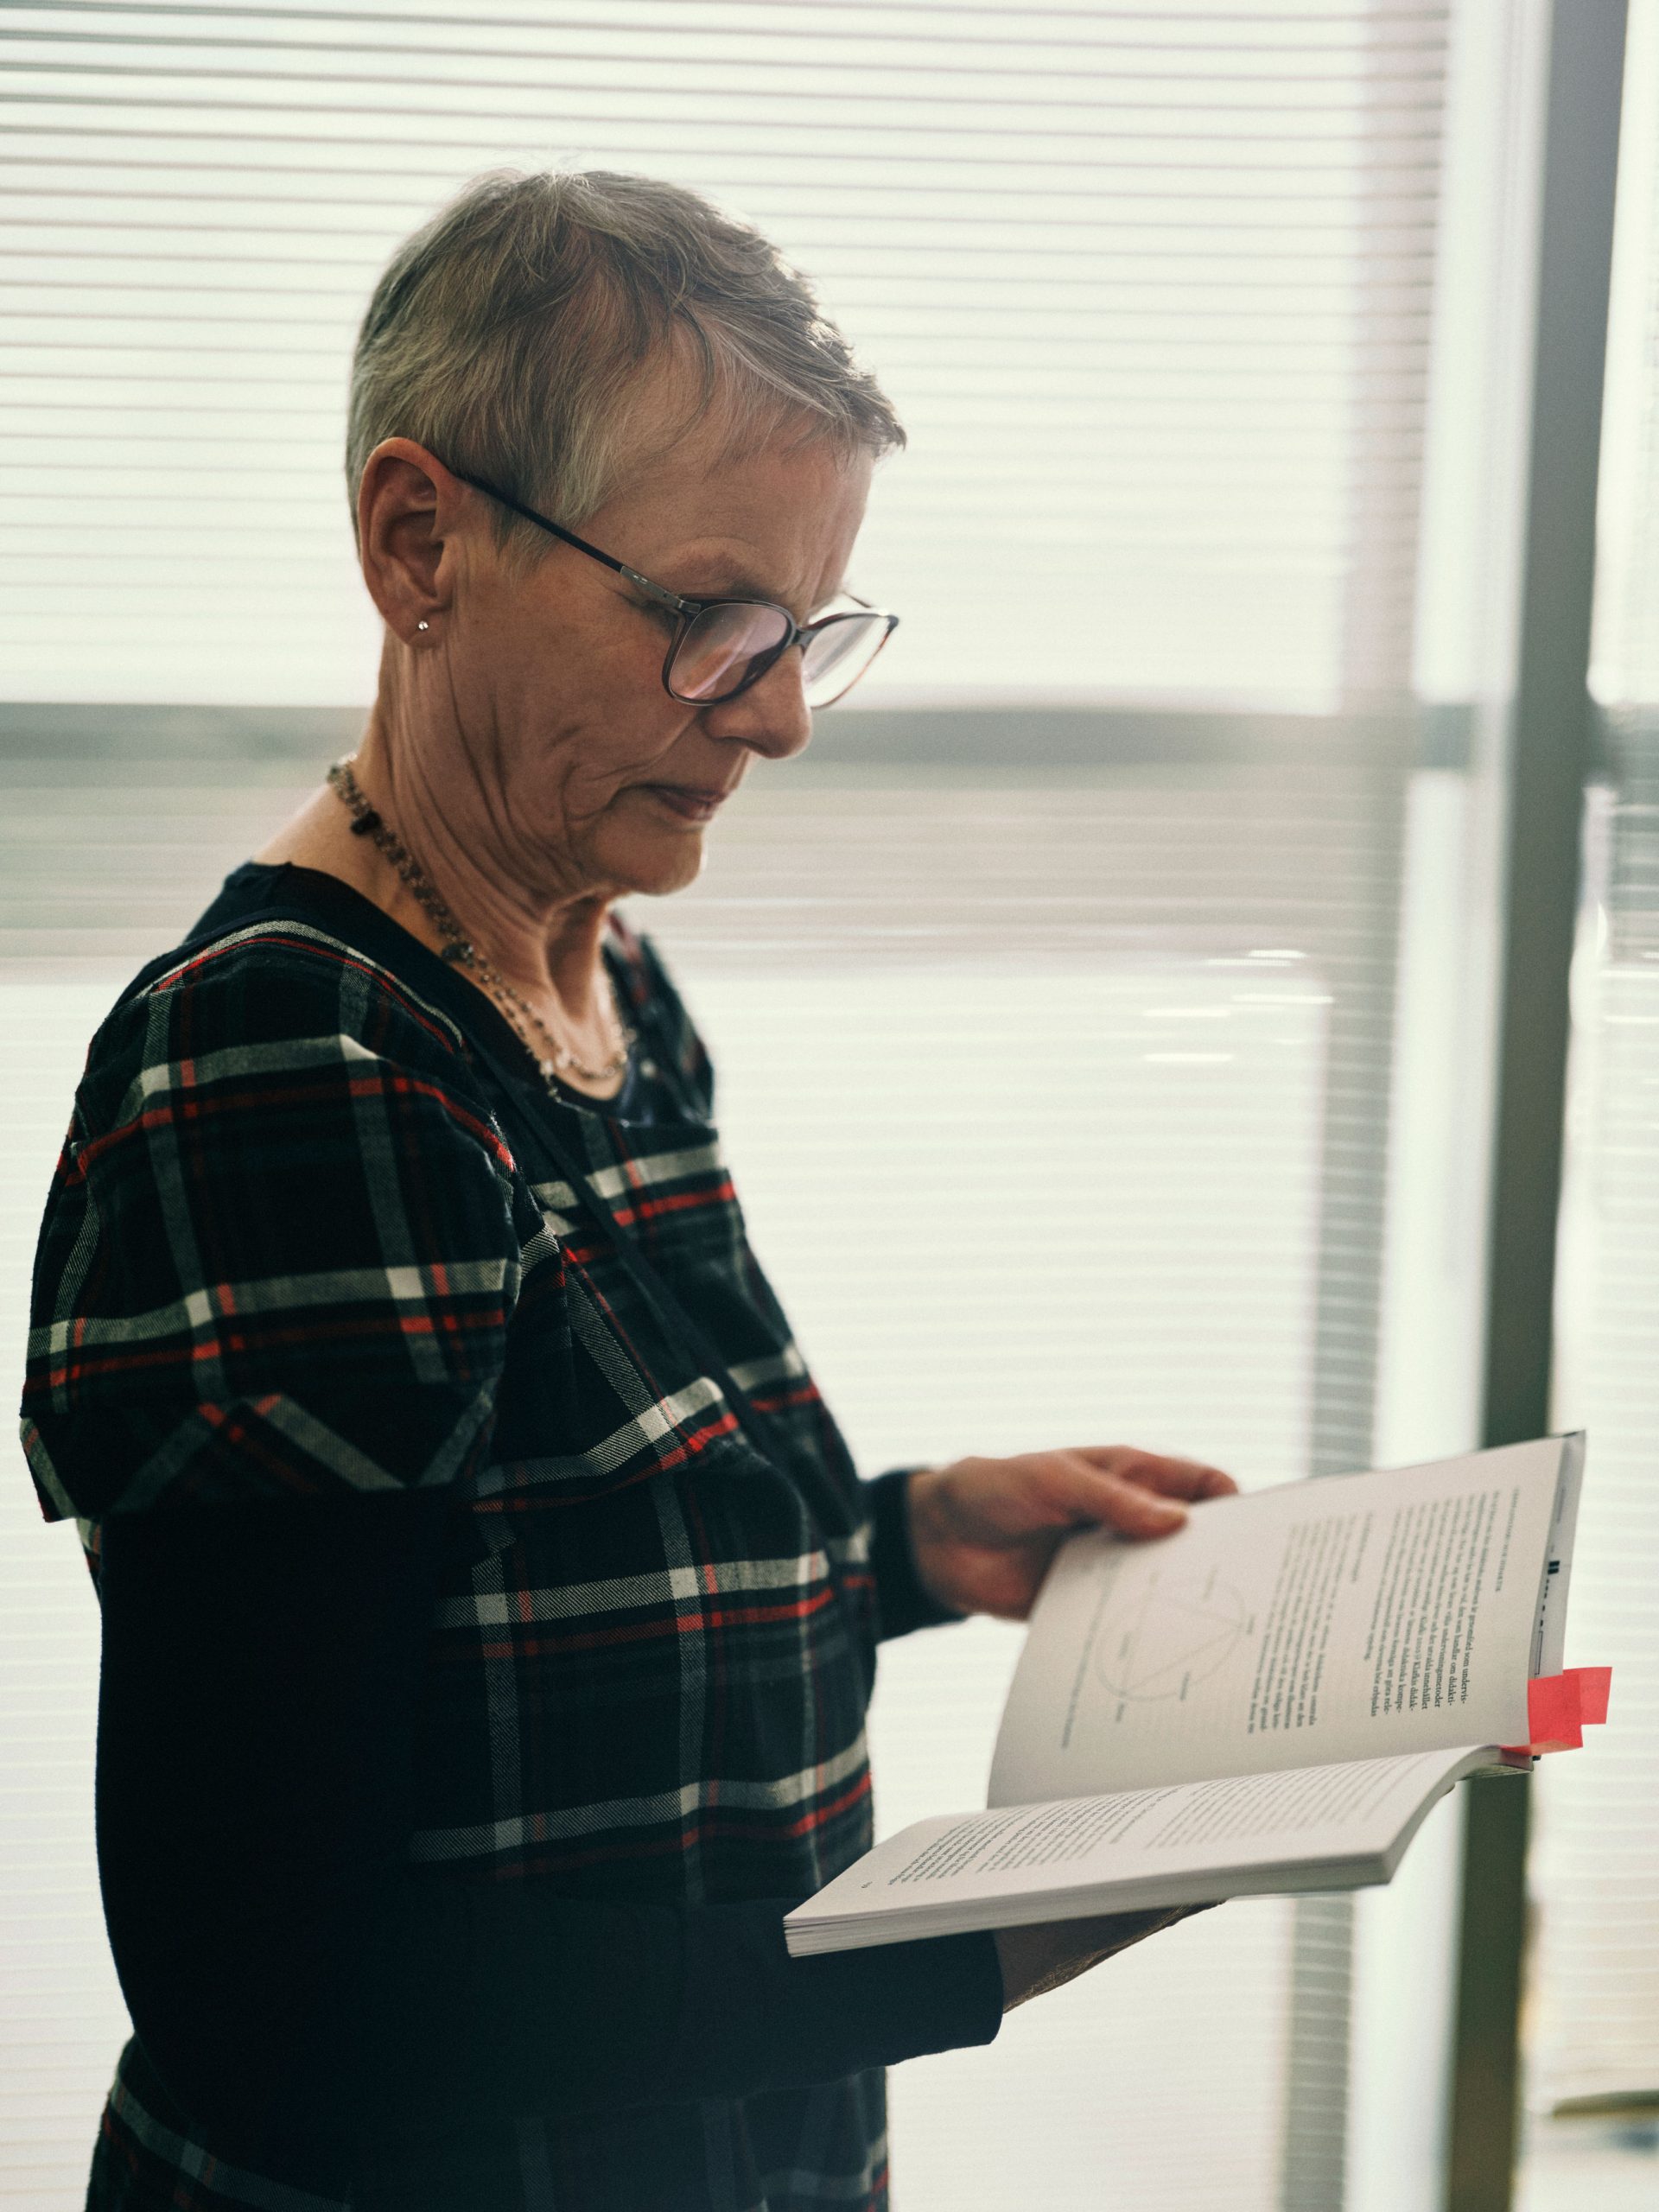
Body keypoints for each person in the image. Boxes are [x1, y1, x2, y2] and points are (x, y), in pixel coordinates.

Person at [20, 169, 1236, 2212]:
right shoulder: (294, 1064)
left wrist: (918, 1538)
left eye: (803, 629)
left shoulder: (600, 972)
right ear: (423, 541)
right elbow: (274, 1999)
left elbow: (530, 1647)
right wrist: (966, 1951)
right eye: (704, 618)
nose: (773, 714)